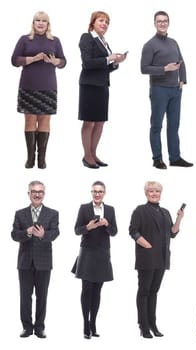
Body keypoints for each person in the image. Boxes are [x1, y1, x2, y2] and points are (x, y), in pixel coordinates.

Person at [11, 11, 66, 169]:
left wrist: (55, 61)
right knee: (29, 120)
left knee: (44, 121)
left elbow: (63, 62)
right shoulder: (25, 39)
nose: (40, 23)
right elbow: (14, 60)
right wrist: (33, 59)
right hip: (28, 86)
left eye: (43, 21)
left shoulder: (55, 41)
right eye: (37, 20)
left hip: (48, 86)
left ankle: (42, 159)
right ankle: (30, 158)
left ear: (48, 24)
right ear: (33, 23)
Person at [129, 181, 184, 338]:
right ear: (146, 193)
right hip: (146, 257)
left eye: (157, 191)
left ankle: (153, 324)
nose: (154, 194)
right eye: (151, 191)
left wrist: (179, 218)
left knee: (154, 292)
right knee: (144, 291)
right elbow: (133, 231)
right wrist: (145, 244)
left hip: (162, 258)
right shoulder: (140, 210)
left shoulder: (165, 212)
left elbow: (172, 233)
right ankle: (143, 326)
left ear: (161, 193)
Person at [141, 10, 193, 169]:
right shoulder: (150, 45)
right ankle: (157, 159)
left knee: (174, 125)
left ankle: (175, 158)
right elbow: (144, 69)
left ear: (168, 23)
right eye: (159, 21)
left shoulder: (173, 42)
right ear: (154, 24)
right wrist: (164, 68)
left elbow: (181, 61)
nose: (162, 23)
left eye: (165, 21)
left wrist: (183, 79)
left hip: (175, 90)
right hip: (159, 89)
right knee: (156, 125)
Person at [11, 180, 60, 338]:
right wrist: (27, 232)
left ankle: (39, 328)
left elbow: (55, 233)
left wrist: (43, 235)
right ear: (29, 194)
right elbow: (14, 235)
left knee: (42, 296)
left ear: (44, 194)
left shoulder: (52, 213)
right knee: (25, 296)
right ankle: (27, 327)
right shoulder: (20, 213)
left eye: (40, 191)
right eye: (34, 191)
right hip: (25, 262)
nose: (37, 194)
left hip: (44, 262)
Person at [78, 11, 127, 169]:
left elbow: (104, 67)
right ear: (93, 22)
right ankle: (87, 156)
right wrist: (108, 58)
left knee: (100, 122)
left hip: (102, 85)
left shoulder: (103, 41)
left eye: (107, 22)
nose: (104, 24)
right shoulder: (87, 37)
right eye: (101, 20)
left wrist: (116, 63)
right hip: (90, 85)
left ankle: (93, 153)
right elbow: (87, 63)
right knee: (89, 121)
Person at [71, 181, 117, 339]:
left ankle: (93, 323)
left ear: (104, 193)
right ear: (91, 193)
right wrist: (88, 227)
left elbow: (115, 232)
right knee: (86, 290)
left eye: (100, 192)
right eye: (94, 191)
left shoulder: (110, 210)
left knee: (97, 290)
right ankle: (85, 324)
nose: (97, 194)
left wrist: (107, 224)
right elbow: (77, 230)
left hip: (103, 253)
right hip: (87, 253)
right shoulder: (84, 208)